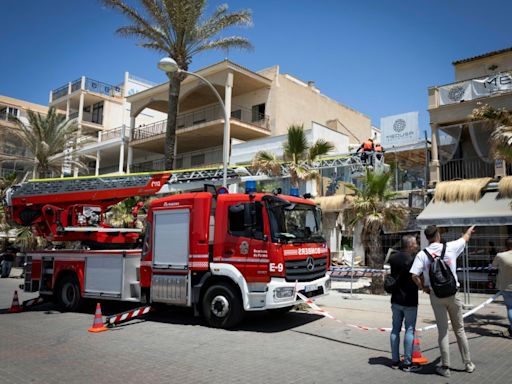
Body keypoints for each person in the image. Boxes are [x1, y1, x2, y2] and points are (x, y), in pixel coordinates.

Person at [410, 225, 476, 378]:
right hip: (453, 295)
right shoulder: (451, 247)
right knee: (459, 330)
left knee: (443, 331)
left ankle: (445, 367)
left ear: (427, 238)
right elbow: (465, 238)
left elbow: (413, 275)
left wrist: (423, 288)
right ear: (438, 235)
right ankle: (468, 364)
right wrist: (468, 231)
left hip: (436, 296)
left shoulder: (422, 254)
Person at [389, 235, 420, 372]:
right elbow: (417, 277)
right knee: (409, 329)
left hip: (396, 298)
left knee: (395, 329)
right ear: (409, 245)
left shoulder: (393, 258)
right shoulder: (413, 259)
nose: (416, 245)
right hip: (410, 299)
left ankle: (395, 361)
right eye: (415, 243)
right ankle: (407, 363)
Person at [492, 238, 512, 338]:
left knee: (510, 308)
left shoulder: (501, 256)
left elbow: (493, 266)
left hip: (506, 286)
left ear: (506, 245)